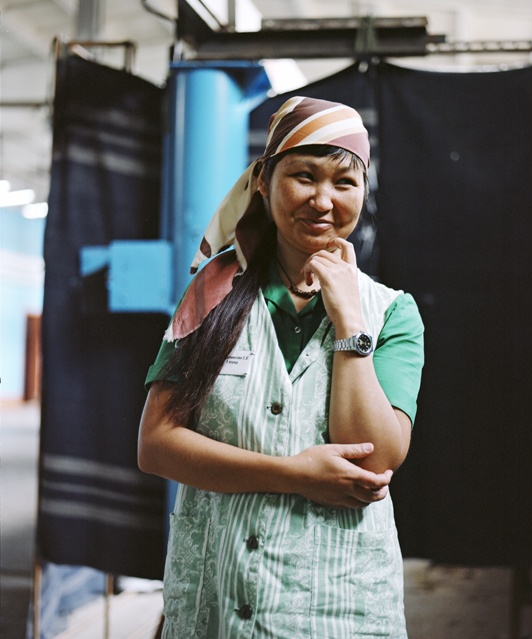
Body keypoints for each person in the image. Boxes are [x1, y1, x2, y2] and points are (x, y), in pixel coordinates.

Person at [138, 96, 425, 638]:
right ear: (264, 181)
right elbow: (156, 444)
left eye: (345, 182)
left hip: (337, 608)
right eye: (304, 176)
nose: (323, 200)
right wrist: (294, 475)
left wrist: (349, 321)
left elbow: (375, 457)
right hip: (219, 599)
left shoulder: (391, 312)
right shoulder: (211, 294)